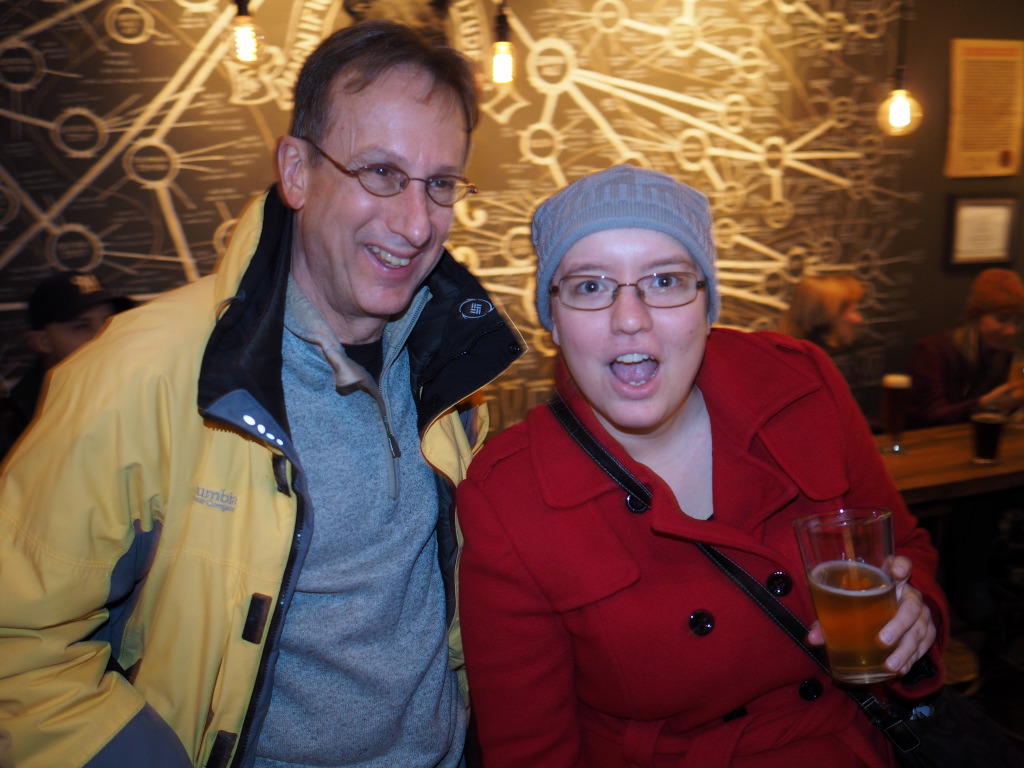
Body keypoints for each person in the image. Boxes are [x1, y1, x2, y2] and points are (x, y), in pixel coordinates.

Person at [0, 20, 522, 768]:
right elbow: (19, 646)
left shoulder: (453, 369)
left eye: (440, 184)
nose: (416, 224)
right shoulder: (136, 373)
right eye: (380, 172)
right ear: (297, 171)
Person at [456, 165, 946, 767]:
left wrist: (914, 619)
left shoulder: (801, 387)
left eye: (665, 280)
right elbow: (531, 750)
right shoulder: (508, 495)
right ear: (552, 319)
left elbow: (906, 551)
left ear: (708, 304)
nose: (629, 317)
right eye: (589, 286)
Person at [0, 270, 132, 461]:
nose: (103, 336)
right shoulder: (11, 429)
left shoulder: (141, 396)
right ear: (42, 341)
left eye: (108, 322)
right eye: (81, 326)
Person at [909, 268, 1024, 427]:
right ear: (977, 316)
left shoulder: (1007, 357)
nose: (1011, 330)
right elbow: (932, 417)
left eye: (1017, 322)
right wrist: (983, 404)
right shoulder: (932, 351)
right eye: (1002, 319)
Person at [777, 274, 865, 355]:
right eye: (853, 311)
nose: (858, 319)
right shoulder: (812, 361)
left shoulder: (787, 354)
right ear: (827, 316)